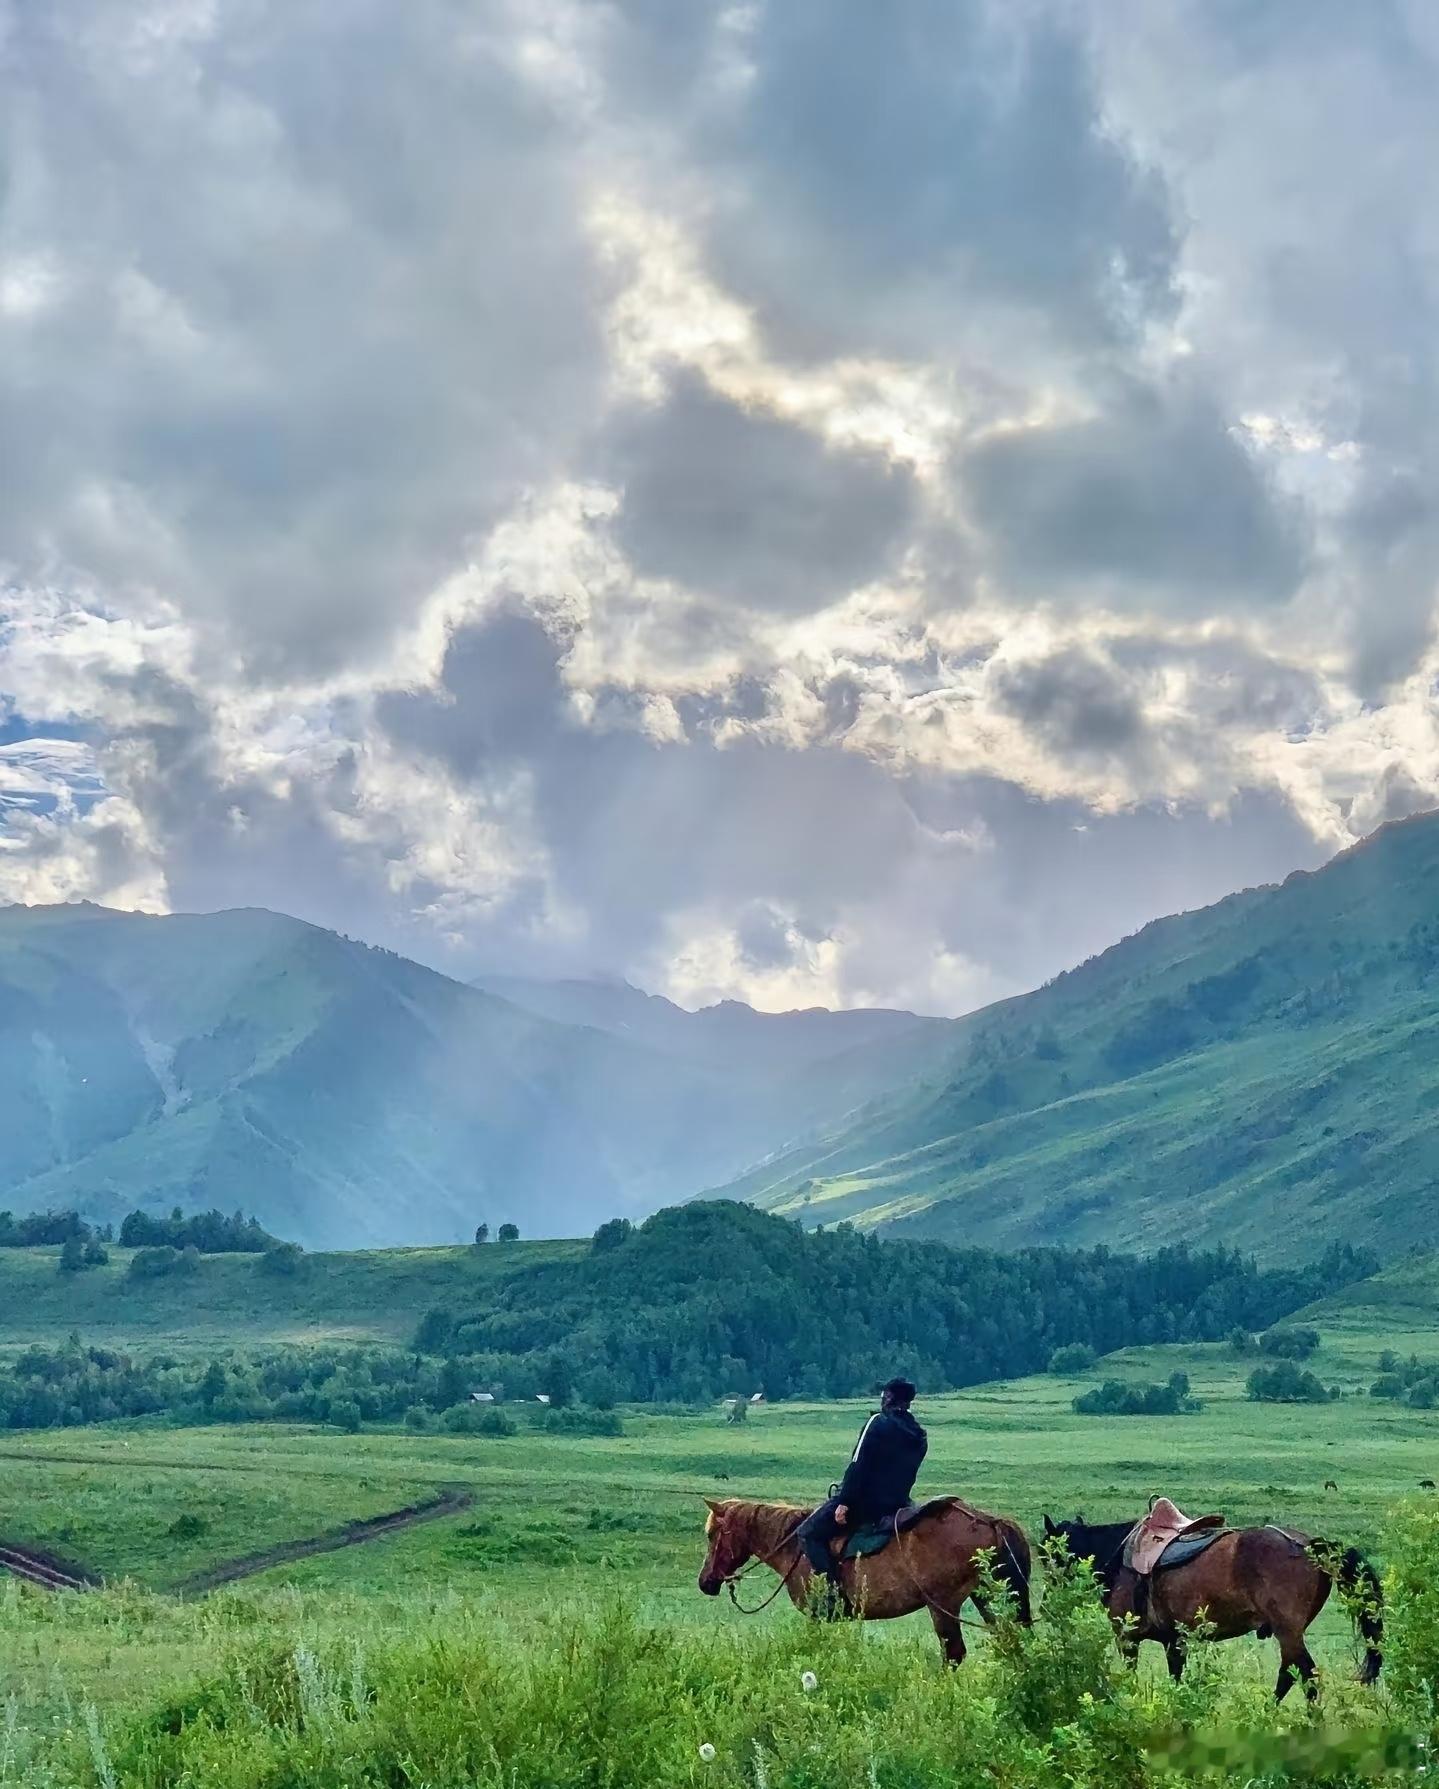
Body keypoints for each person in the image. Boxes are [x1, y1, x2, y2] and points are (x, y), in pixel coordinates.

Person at [796, 1376, 928, 1616]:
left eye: (884, 1395)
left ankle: (832, 1597)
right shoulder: (919, 1435)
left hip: (865, 1505)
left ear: (888, 1397)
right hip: (899, 1505)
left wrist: (844, 1501)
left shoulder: (878, 1422)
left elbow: (859, 1464)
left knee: (807, 1533)